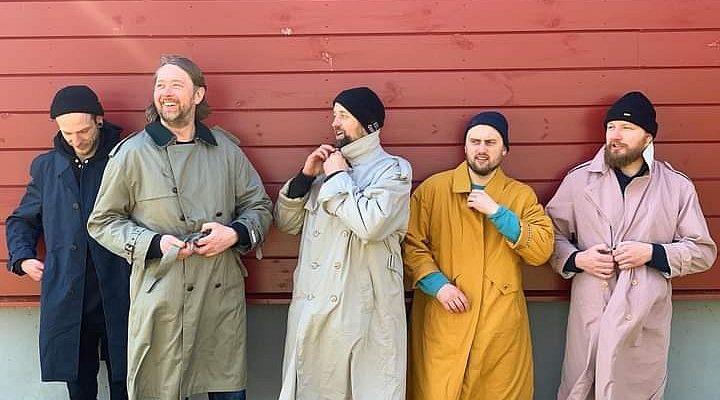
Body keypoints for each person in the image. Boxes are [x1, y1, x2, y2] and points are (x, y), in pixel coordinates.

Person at [87, 55, 272, 400]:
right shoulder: (132, 153)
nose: (166, 92)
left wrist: (234, 234)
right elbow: (102, 221)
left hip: (219, 296)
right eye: (160, 85)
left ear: (198, 94)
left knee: (226, 388)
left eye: (176, 84)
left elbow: (259, 206)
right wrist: (154, 243)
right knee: (161, 388)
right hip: (163, 294)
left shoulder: (225, 150)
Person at [545, 91, 717, 399]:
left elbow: (703, 251)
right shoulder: (579, 181)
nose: (615, 135)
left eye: (627, 128)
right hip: (591, 311)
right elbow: (548, 237)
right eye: (611, 127)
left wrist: (653, 253)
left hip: (642, 315)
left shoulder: (676, 186)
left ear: (648, 137)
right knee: (581, 389)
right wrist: (577, 260)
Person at [403, 111, 554, 400]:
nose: (481, 149)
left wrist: (498, 213)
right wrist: (438, 286)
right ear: (465, 146)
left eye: (490, 142)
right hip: (444, 318)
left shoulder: (520, 195)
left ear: (504, 149)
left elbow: (541, 250)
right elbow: (411, 244)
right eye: (475, 141)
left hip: (498, 324)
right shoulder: (434, 190)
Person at [274, 87, 411, 399]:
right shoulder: (326, 169)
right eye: (334, 115)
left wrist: (338, 178)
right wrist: (305, 178)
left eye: (344, 116)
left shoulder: (393, 170)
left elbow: (371, 225)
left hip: (364, 313)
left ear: (368, 123)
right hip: (314, 310)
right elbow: (287, 224)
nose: (334, 123)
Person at [6, 85, 129, 399]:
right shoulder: (47, 167)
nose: (76, 140)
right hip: (69, 292)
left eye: (83, 131)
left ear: (99, 119)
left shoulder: (125, 158)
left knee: (127, 378)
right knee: (78, 382)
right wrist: (23, 257)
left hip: (120, 287)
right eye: (68, 133)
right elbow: (22, 219)